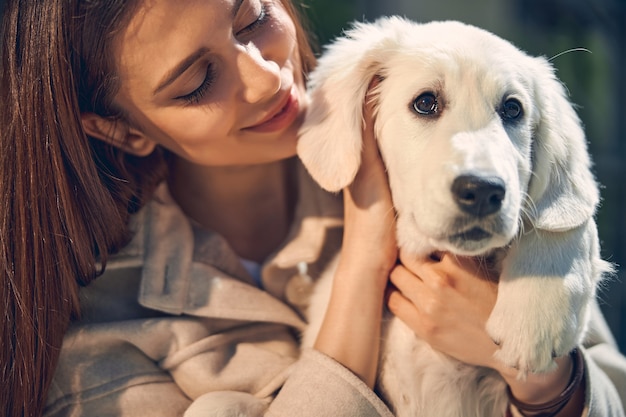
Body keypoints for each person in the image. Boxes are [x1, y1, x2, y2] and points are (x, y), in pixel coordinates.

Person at [0, 1, 624, 416]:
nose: (268, 77)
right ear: (124, 131)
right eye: (196, 82)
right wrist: (365, 252)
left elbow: (608, 389)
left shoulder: (458, 174)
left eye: (251, 19)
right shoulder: (96, 334)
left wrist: (545, 383)